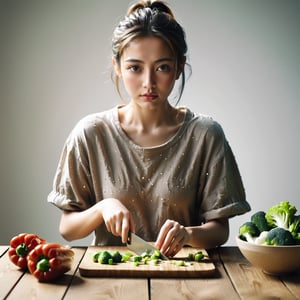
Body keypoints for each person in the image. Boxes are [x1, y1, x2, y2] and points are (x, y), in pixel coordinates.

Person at [48, 0, 251, 257]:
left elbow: (220, 230)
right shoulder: (90, 133)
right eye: (135, 68)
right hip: (109, 283)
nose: (149, 83)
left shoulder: (206, 135)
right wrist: (102, 208)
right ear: (118, 67)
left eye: (162, 67)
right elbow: (68, 228)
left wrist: (188, 234)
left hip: (186, 281)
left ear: (178, 67)